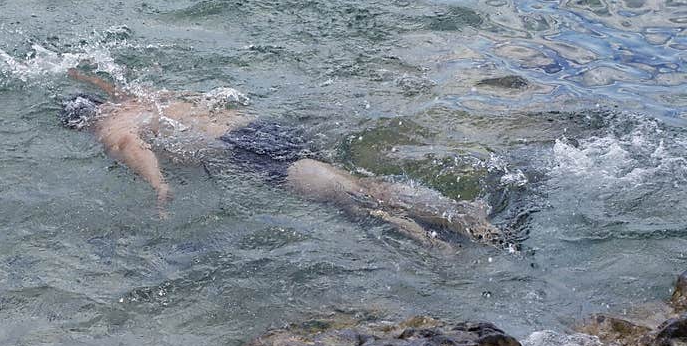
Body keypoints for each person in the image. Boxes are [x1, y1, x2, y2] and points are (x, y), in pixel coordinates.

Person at [63, 68, 504, 249]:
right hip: (263, 128)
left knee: (352, 201)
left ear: (83, 122)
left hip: (247, 151)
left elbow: (129, 149)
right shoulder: (144, 98)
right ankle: (457, 215)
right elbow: (108, 84)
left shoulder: (112, 123)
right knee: (359, 185)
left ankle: (438, 245)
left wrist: (159, 187)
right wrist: (78, 71)